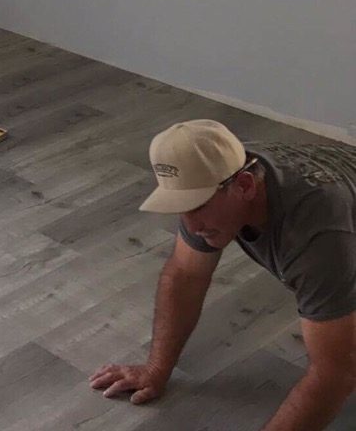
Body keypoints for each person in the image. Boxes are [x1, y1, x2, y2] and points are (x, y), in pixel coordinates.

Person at [90, 119, 356, 429]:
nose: (190, 226)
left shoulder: (316, 237)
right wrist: (156, 368)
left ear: (245, 186)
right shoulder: (220, 169)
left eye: (198, 206)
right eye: (181, 206)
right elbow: (185, 275)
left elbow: (336, 374)